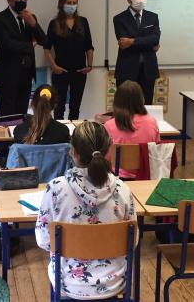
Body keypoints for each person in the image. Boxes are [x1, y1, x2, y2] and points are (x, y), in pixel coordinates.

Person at [35, 121, 137, 300]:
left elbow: (44, 240)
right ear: (108, 151)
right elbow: (133, 240)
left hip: (68, 284)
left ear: (73, 151)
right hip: (114, 283)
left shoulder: (56, 189)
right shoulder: (123, 189)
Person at [0, 0, 47, 117]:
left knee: (22, 116)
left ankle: (19, 139)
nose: (22, 1)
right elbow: (7, 45)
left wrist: (33, 24)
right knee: (7, 117)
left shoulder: (30, 18)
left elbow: (44, 41)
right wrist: (30, 45)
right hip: (7, 75)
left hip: (26, 74)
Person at [44, 0, 94, 120]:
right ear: (62, 4)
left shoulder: (83, 22)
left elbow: (89, 46)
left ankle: (74, 136)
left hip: (79, 71)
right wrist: (54, 66)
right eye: (69, 3)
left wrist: (90, 65)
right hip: (61, 71)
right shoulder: (54, 23)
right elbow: (47, 48)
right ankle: (59, 135)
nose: (72, 6)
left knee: (75, 106)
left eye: (74, 3)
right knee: (59, 107)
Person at [113, 0, 160, 105]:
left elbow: (155, 39)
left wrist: (132, 41)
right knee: (125, 107)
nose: (141, 0)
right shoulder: (119, 19)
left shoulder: (153, 17)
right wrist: (147, 42)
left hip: (147, 70)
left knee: (146, 107)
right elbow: (123, 43)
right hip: (127, 70)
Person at [104, 80, 160, 179]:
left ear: (117, 100)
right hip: (146, 176)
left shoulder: (109, 125)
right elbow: (157, 149)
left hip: (119, 178)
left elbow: (106, 158)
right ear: (141, 99)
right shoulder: (152, 122)